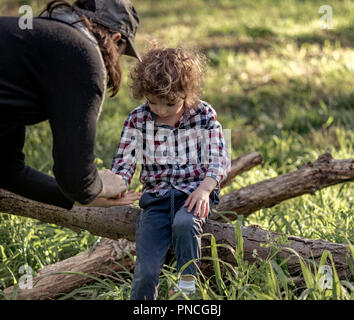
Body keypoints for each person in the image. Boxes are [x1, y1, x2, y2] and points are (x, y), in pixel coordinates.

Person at [111, 45, 231, 299]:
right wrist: (117, 185)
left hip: (193, 194)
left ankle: (187, 284)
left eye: (170, 103)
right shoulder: (138, 119)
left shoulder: (204, 115)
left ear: (186, 93)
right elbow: (124, 160)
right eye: (153, 102)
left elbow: (219, 158)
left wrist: (205, 188)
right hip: (156, 199)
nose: (161, 110)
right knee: (146, 271)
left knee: (185, 223)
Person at [0, 0, 143, 209]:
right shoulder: (81, 54)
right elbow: (75, 177)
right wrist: (99, 185)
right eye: (121, 52)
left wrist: (84, 193)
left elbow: (6, 170)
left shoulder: (29, 44)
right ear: (116, 39)